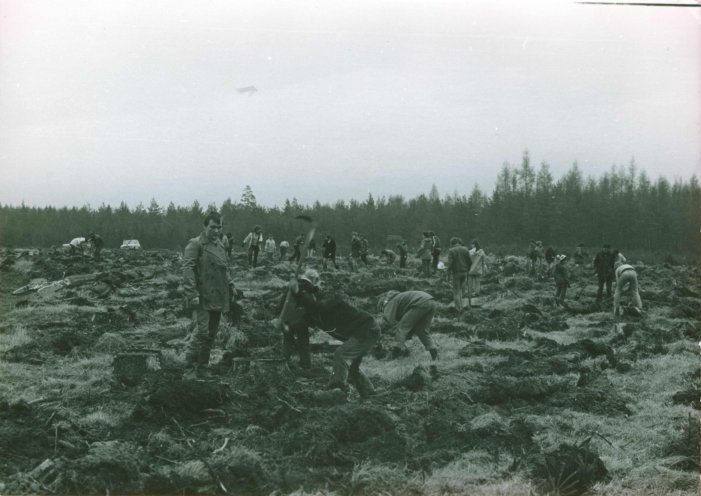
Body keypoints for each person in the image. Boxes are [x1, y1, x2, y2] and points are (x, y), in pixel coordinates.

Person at [295, 280, 380, 397]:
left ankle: (338, 389)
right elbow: (302, 328)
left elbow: (336, 300)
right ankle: (369, 393)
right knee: (351, 366)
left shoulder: (329, 302)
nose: (302, 305)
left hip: (367, 329)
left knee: (340, 355)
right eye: (300, 302)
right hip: (357, 333)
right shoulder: (312, 312)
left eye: (303, 299)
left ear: (311, 295)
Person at [182, 211, 237, 368]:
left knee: (211, 334)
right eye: (213, 227)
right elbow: (188, 269)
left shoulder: (220, 245)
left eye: (219, 227)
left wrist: (231, 284)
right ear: (204, 226)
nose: (216, 231)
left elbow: (224, 269)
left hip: (219, 295)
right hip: (202, 295)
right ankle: (188, 362)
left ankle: (202, 365)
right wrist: (191, 293)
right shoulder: (196, 244)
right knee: (202, 332)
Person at [276, 269, 319, 369]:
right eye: (316, 280)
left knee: (287, 341)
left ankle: (283, 364)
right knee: (303, 342)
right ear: (312, 278)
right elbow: (311, 306)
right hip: (300, 319)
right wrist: (313, 323)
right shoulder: (309, 288)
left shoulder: (292, 286)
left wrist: (280, 317)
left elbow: (282, 301)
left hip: (287, 319)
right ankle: (306, 365)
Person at [378, 290, 438, 361]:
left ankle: (393, 356)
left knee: (401, 328)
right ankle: (435, 357)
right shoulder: (401, 298)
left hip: (420, 302)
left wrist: (378, 331)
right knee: (422, 331)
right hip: (431, 302)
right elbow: (409, 320)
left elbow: (388, 320)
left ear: (383, 305)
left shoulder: (390, 301)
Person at [447, 237, 472, 311]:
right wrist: (468, 269)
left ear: (452, 243)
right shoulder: (465, 249)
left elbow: (450, 263)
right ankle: (461, 306)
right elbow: (470, 262)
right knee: (460, 290)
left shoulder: (451, 250)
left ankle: (458, 309)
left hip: (456, 273)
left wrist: (448, 272)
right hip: (464, 272)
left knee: (456, 292)